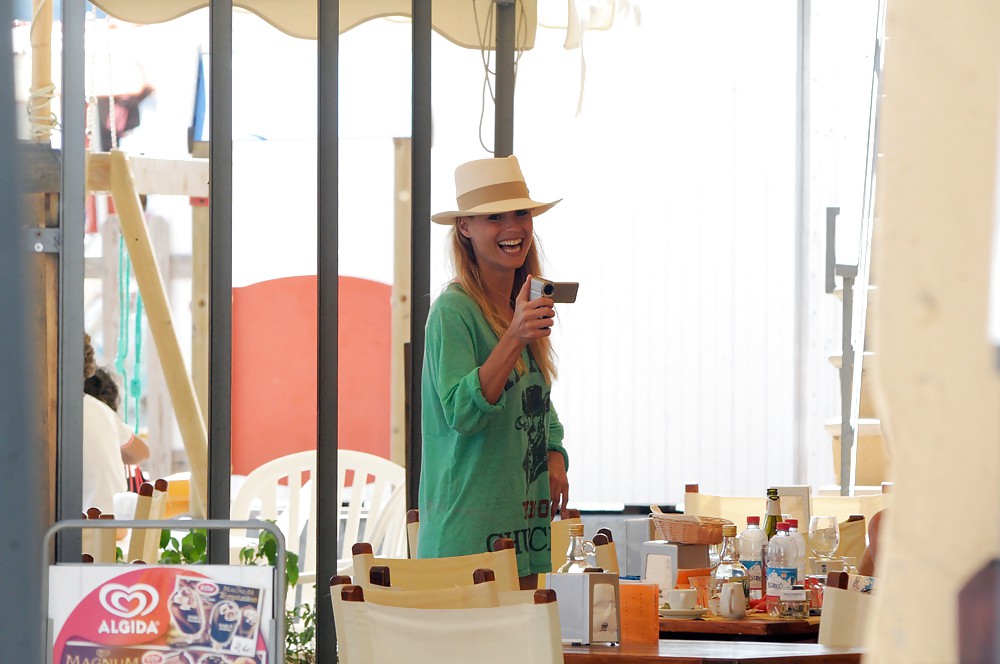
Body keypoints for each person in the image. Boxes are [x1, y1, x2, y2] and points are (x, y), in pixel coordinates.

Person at [418, 155, 571, 590]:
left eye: (521, 213)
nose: (513, 227)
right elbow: (462, 414)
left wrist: (555, 455)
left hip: (523, 528)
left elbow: (539, 403)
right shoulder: (453, 310)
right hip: (466, 541)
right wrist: (514, 337)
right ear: (465, 227)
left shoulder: (517, 306)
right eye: (494, 217)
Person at [82, 335, 149, 513]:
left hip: (90, 530)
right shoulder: (101, 411)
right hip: (115, 524)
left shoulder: (53, 415)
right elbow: (141, 452)